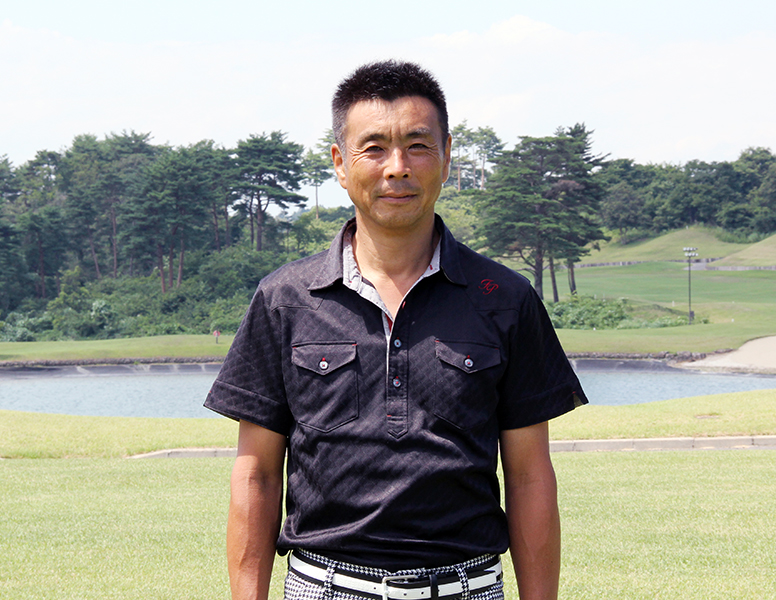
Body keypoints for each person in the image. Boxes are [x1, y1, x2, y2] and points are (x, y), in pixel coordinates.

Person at [204, 59, 588, 600]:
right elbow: (257, 474)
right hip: (325, 588)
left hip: (467, 587)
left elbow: (529, 475)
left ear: (447, 157)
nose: (397, 168)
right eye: (374, 148)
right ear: (340, 163)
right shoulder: (284, 299)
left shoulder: (505, 298)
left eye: (418, 145)